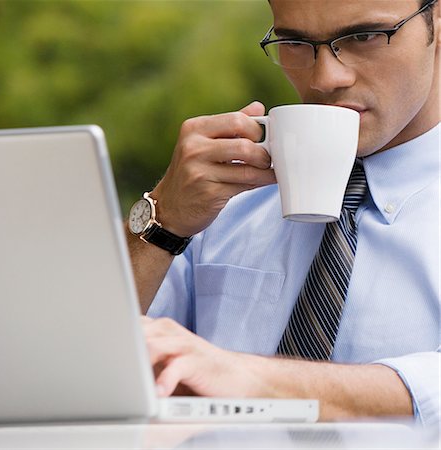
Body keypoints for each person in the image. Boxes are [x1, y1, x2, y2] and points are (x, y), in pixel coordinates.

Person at [127, 0, 440, 426]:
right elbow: (78, 365)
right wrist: (163, 224)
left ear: (436, 18)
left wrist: (261, 380)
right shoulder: (218, 204)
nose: (326, 78)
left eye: (365, 36)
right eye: (295, 43)